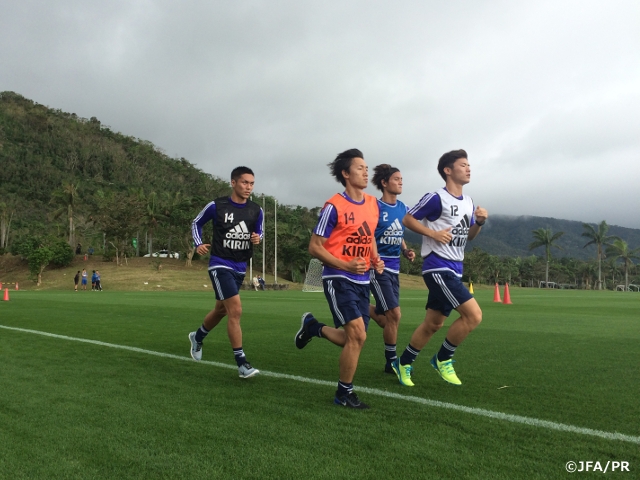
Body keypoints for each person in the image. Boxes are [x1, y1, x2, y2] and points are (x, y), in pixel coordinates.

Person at [294, 148, 384, 409]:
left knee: (354, 339)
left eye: (367, 167)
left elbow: (369, 237)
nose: (366, 171)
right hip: (337, 277)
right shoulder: (334, 206)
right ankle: (344, 394)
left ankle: (314, 328)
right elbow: (315, 247)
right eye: (359, 168)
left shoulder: (372, 204)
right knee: (356, 335)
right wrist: (345, 264)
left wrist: (375, 258)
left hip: (362, 281)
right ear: (345, 174)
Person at [393, 149, 488, 387]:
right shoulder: (436, 198)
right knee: (474, 315)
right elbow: (408, 218)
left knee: (433, 323)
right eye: (463, 164)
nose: (468, 168)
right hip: (437, 268)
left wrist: (479, 223)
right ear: (448, 170)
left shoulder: (468, 202)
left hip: (455, 269)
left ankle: (402, 363)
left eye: (469, 165)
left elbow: (470, 238)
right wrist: (432, 233)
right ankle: (443, 358)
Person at [188, 166, 264, 379]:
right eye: (244, 182)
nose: (248, 187)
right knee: (236, 310)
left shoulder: (256, 210)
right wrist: (198, 244)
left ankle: (198, 337)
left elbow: (260, 232)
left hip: (241, 266)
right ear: (233, 183)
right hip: (220, 263)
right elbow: (196, 222)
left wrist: (258, 238)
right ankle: (242, 363)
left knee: (221, 310)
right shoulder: (217, 205)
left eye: (251, 183)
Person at [368, 164, 415, 374]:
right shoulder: (374, 207)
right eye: (396, 179)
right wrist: (375, 259)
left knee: (386, 319)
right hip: (378, 268)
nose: (401, 182)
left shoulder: (403, 207)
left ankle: (360, 305)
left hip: (395, 268)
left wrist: (405, 250)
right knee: (395, 315)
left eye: (401, 179)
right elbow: (369, 235)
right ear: (384, 183)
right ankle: (391, 362)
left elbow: (399, 232)